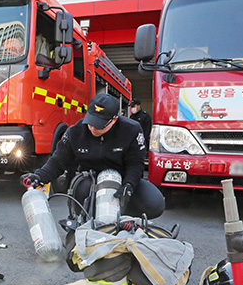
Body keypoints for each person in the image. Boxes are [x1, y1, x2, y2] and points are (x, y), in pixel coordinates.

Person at [20, 92, 165, 219]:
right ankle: (87, 220)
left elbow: (135, 164)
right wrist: (38, 177)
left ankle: (124, 219)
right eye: (91, 122)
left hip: (122, 178)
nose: (93, 128)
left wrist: (129, 185)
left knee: (154, 203)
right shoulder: (75, 132)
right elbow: (57, 162)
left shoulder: (131, 130)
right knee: (83, 189)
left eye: (99, 125)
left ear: (114, 120)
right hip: (90, 179)